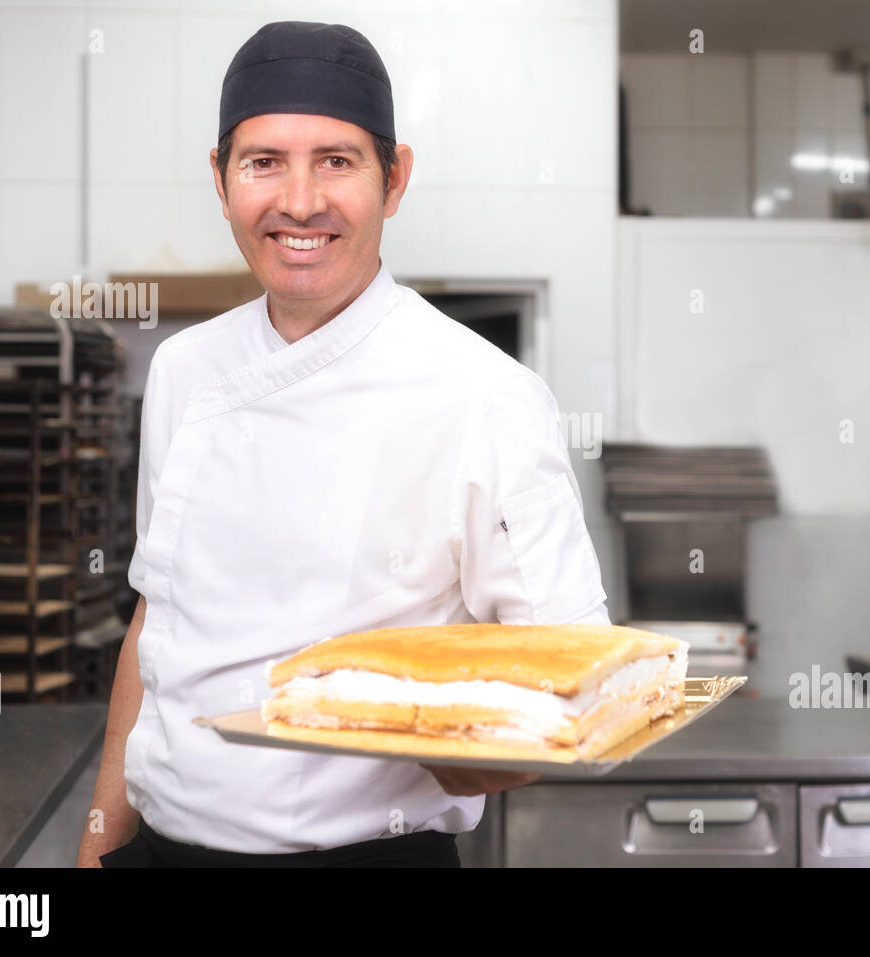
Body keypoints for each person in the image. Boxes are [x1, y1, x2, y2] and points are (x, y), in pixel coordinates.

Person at [76, 21, 610, 868]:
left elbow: (577, 683)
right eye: (262, 162)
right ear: (220, 180)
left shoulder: (485, 395)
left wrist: (461, 752)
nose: (298, 200)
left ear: (393, 179)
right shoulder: (184, 370)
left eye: (335, 160)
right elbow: (155, 616)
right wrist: (98, 840)